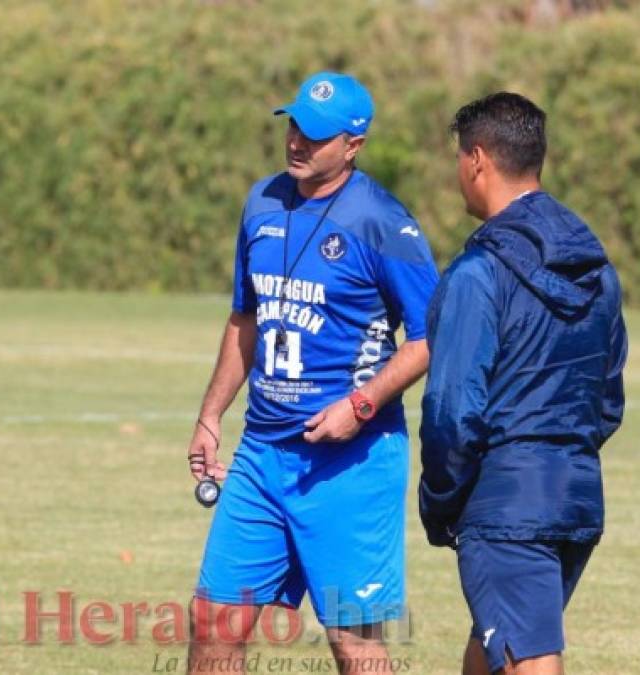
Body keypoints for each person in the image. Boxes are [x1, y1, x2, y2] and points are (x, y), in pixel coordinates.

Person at [186, 73, 439, 674]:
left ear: (353, 144)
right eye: (294, 125)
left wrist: (360, 406)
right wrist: (209, 416)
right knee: (212, 623)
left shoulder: (383, 221)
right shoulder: (262, 202)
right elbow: (245, 319)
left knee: (353, 642)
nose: (298, 141)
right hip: (260, 456)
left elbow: (430, 338)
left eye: (317, 134)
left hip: (350, 463)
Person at [418, 92, 627, 675]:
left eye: (459, 159)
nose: (458, 172)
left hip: (505, 506)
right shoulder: (599, 270)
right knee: (492, 647)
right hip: (576, 497)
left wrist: (441, 500)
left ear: (478, 160)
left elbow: (452, 410)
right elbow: (607, 399)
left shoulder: (478, 272)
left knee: (529, 661)